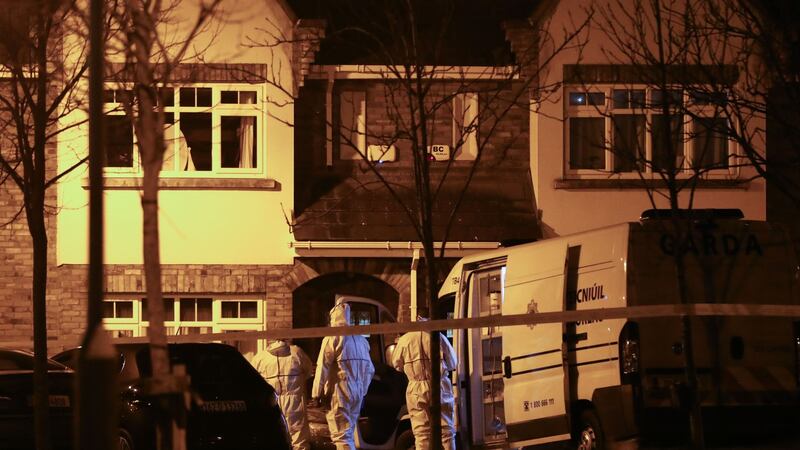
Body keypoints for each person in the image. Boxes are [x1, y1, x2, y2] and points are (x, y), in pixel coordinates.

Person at [312, 302, 375, 450]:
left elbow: (323, 367)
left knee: (341, 437)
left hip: (340, 392)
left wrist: (316, 393)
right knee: (348, 432)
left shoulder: (333, 338)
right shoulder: (361, 340)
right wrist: (362, 390)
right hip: (357, 393)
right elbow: (370, 370)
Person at [391, 311, 458, 450]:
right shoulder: (439, 337)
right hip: (439, 386)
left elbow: (396, 364)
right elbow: (453, 363)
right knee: (447, 432)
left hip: (416, 388)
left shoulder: (405, 340)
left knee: (421, 434)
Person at [251, 339, 313, 450]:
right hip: (295, 401)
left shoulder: (260, 357)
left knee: (274, 436)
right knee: (298, 438)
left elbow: (252, 379)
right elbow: (309, 371)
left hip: (272, 402)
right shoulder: (296, 352)